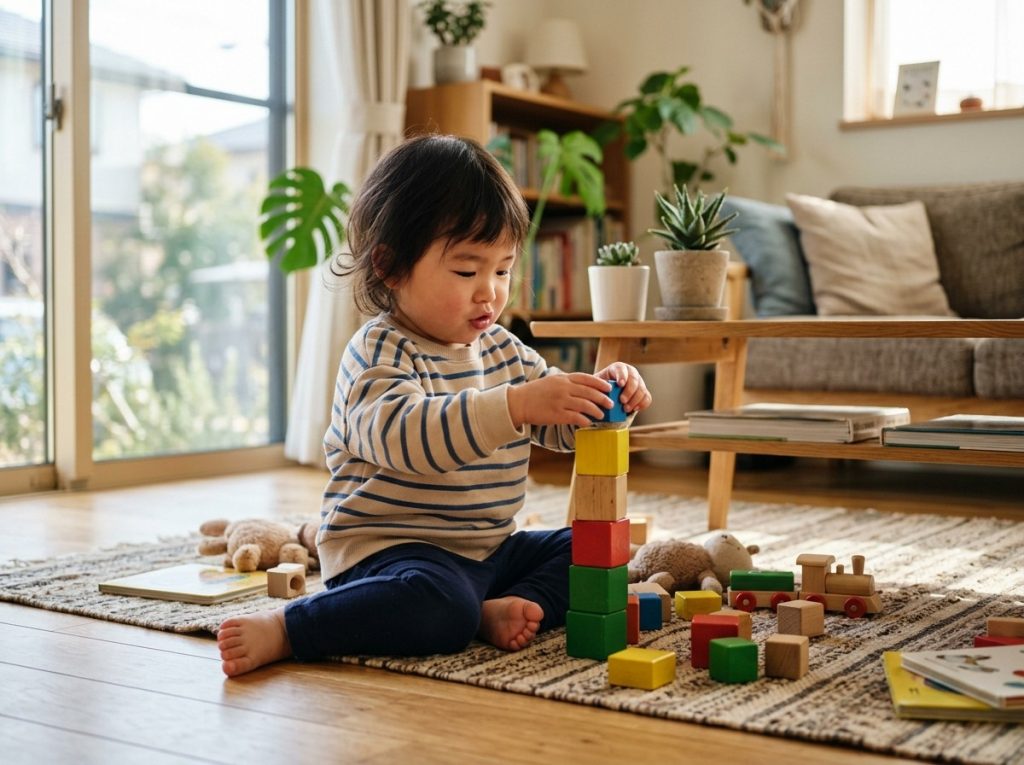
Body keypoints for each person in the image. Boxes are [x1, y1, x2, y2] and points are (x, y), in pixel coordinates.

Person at [217, 135, 652, 677]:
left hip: (488, 550)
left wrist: (608, 399)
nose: (489, 292)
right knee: (436, 605)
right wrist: (514, 406)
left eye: (503, 270)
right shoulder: (376, 352)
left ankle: (483, 610)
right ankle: (293, 626)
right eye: (467, 272)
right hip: (391, 554)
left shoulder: (503, 350)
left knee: (596, 549)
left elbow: (559, 427)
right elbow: (408, 439)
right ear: (390, 266)